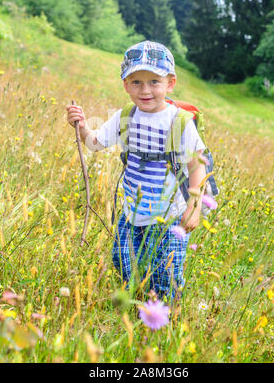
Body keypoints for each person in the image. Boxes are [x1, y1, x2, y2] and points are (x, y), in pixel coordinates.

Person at [66, 40, 206, 302]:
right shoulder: (125, 115)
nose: (145, 90)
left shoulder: (179, 121)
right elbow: (94, 143)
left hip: (169, 218)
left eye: (154, 81)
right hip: (132, 215)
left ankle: (163, 319)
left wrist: (195, 203)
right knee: (123, 263)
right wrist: (82, 126)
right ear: (126, 85)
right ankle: (136, 304)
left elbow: (197, 162)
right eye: (136, 82)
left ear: (170, 83)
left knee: (165, 276)